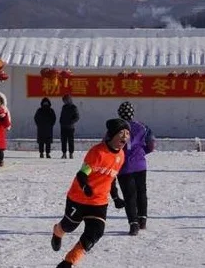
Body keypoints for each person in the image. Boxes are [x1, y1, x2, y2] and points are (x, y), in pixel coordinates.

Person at [51, 118, 130, 268]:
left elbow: (111, 178)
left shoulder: (121, 156)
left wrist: (116, 197)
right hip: (78, 198)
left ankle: (68, 262)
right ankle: (57, 231)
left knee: (96, 232)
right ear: (112, 134)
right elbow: (82, 174)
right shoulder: (97, 152)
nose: (125, 136)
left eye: (127, 133)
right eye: (121, 133)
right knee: (69, 227)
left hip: (99, 202)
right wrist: (86, 187)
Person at [116, 101, 156, 235]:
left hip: (123, 166)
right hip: (140, 164)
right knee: (141, 192)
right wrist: (142, 152)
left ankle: (133, 224)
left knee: (129, 196)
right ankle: (142, 220)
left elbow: (107, 145)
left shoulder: (115, 129)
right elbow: (151, 145)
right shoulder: (142, 127)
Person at [59, 94, 80, 159]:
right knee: (63, 141)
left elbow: (77, 117)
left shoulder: (74, 107)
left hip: (70, 127)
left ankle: (71, 153)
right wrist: (61, 121)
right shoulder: (64, 107)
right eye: (64, 100)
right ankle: (64, 153)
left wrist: (71, 122)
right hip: (63, 127)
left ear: (69, 100)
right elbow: (62, 115)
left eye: (66, 100)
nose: (65, 101)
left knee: (71, 141)